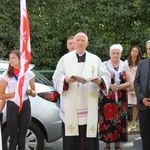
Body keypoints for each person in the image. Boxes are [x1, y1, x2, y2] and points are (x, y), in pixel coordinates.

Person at [53, 32, 111, 150]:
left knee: (88, 141)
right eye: (77, 40)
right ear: (74, 43)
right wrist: (65, 80)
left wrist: (100, 80)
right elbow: (56, 77)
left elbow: (106, 76)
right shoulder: (64, 59)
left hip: (88, 105)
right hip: (71, 106)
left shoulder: (95, 59)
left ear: (87, 43)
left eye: (82, 40)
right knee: (71, 142)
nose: (80, 43)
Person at [0, 50, 36, 150]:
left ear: (20, 59)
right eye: (10, 58)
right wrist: (15, 94)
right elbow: (1, 95)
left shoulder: (28, 74)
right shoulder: (6, 75)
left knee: (22, 139)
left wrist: (28, 91)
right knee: (13, 138)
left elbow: (34, 93)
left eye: (13, 58)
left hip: (25, 106)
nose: (11, 60)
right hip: (12, 106)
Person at [99, 44, 132, 150]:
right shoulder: (104, 65)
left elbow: (130, 82)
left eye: (117, 53)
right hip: (107, 98)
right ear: (109, 53)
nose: (115, 55)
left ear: (120, 54)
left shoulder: (124, 65)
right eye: (113, 53)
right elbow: (100, 81)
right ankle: (107, 145)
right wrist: (109, 86)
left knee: (119, 120)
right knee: (107, 120)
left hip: (121, 99)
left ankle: (118, 145)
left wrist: (119, 87)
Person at [134, 40, 150, 150]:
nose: (149, 51)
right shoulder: (142, 63)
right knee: (145, 135)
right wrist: (142, 98)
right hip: (144, 106)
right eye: (148, 48)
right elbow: (136, 82)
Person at [124, 46, 142, 130]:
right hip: (127, 86)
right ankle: (125, 122)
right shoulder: (125, 62)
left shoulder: (140, 63)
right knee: (125, 104)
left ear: (138, 54)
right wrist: (128, 85)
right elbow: (123, 74)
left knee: (135, 104)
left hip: (136, 86)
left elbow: (141, 76)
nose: (134, 52)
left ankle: (134, 123)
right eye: (133, 50)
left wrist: (135, 86)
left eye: (136, 51)